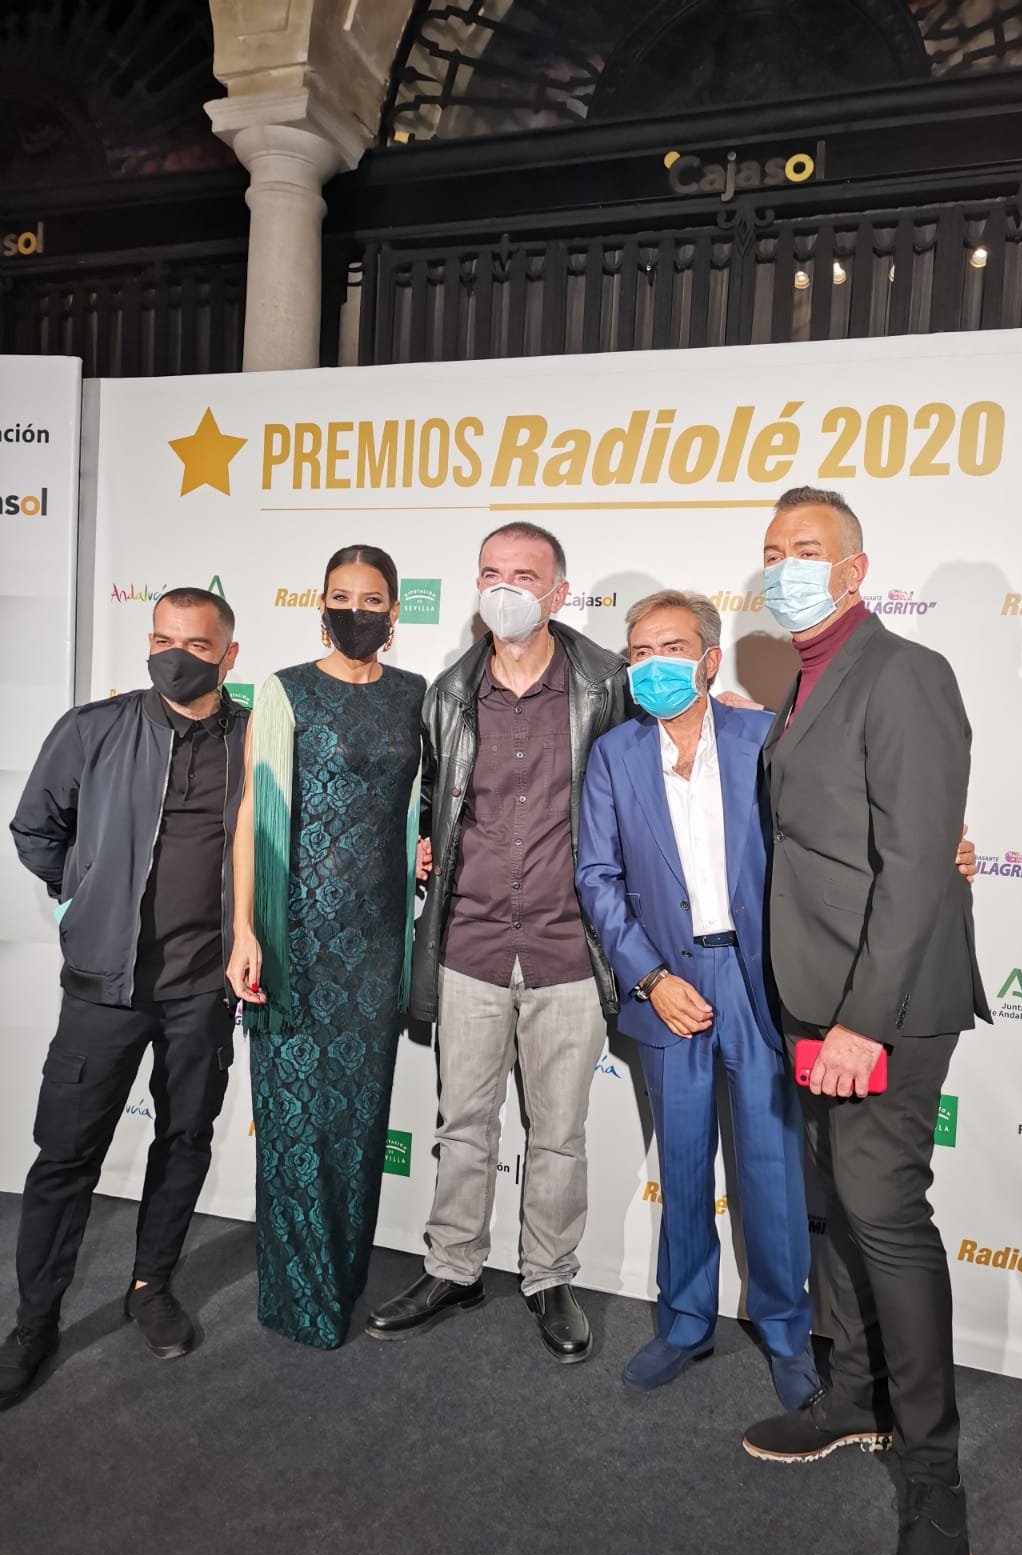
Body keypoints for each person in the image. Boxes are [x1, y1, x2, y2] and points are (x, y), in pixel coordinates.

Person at [741, 486, 989, 1555]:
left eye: (807, 549)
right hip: (814, 996)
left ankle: (936, 1481)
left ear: (855, 569)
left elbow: (921, 864)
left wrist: (861, 1022)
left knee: (886, 1218)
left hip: (880, 1008)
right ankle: (853, 1399)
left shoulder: (906, 673)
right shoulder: (805, 679)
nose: (785, 566)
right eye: (772, 550)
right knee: (837, 1208)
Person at [366, 522, 629, 1362]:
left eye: (523, 573)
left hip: (569, 948)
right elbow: (429, 799)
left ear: (559, 592)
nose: (504, 588)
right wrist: (419, 839)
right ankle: (453, 1267)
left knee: (558, 1133)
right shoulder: (448, 693)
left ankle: (550, 1277)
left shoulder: (606, 685)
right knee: (463, 1125)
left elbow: (653, 780)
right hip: (470, 943)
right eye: (490, 572)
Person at [1, 588, 247, 1410]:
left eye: (197, 644)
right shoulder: (92, 729)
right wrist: (84, 896)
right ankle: (34, 1323)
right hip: (102, 990)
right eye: (163, 639)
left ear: (229, 656)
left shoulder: (255, 741)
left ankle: (151, 1285)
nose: (176, 656)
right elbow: (36, 829)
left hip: (203, 991)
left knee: (184, 1141)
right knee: (65, 1157)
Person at [575, 591, 820, 1404]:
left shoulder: (765, 737)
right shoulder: (614, 755)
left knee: (771, 1168)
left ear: (710, 660)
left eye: (671, 648)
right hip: (666, 985)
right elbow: (597, 877)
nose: (652, 665)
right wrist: (651, 977)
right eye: (639, 652)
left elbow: (828, 835)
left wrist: (937, 846)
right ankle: (685, 1322)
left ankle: (786, 1330)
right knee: (681, 1164)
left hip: (758, 982)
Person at [226, 546, 424, 1351]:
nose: (355, 612)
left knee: (358, 1120)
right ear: (321, 607)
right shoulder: (285, 691)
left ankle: (341, 1277)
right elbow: (255, 814)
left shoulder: (413, 695)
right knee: (297, 1121)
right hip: (297, 936)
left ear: (394, 612)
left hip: (377, 942)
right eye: (341, 597)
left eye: (371, 600)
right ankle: (299, 1296)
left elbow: (424, 799)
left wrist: (423, 842)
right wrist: (246, 929)